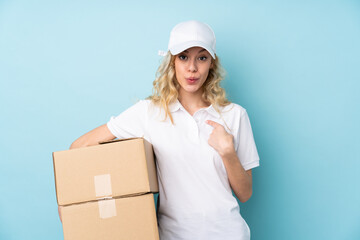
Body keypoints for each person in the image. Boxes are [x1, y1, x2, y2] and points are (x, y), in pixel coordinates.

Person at [59, 20, 259, 240]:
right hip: (172, 236)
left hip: (228, 234)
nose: (192, 68)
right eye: (183, 57)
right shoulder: (149, 113)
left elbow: (245, 193)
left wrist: (228, 153)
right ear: (172, 61)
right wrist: (69, 204)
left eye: (201, 58)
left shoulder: (234, 115)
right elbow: (80, 146)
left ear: (212, 63)